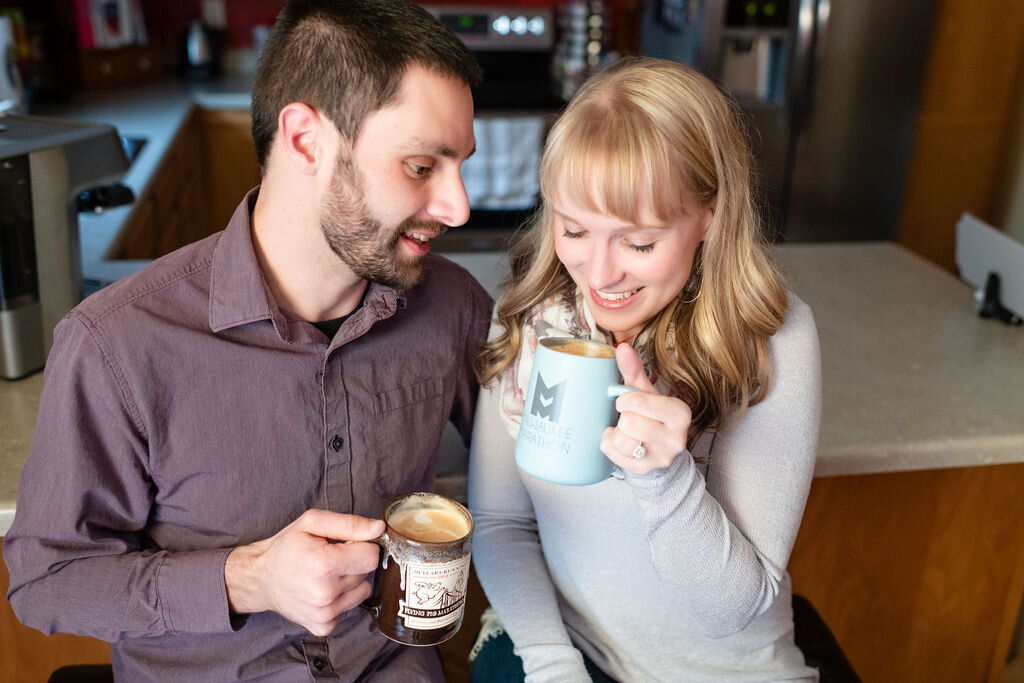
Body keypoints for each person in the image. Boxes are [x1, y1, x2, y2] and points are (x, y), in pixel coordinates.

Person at [4, 0, 491, 680]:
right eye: (420, 167)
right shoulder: (117, 342)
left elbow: (530, 469)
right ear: (304, 140)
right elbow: (46, 579)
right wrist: (247, 578)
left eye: (461, 165)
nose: (459, 206)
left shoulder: (453, 306)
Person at [467, 56, 822, 682]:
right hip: (567, 649)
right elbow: (501, 523)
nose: (599, 275)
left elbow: (732, 609)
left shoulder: (771, 337)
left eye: (639, 243)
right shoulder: (529, 321)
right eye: (574, 230)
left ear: (710, 215)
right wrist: (554, 667)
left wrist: (665, 479)